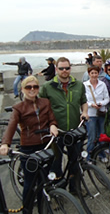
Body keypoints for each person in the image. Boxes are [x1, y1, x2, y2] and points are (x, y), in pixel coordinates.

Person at [0, 75, 58, 210]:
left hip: (45, 145)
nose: (32, 89)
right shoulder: (18, 108)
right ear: (23, 89)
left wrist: (53, 125)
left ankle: (44, 203)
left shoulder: (45, 102)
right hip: (28, 148)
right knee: (29, 183)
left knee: (44, 179)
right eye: (28, 87)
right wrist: (5, 143)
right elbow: (12, 125)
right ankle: (27, 210)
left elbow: (51, 119)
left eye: (35, 86)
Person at [39, 57, 89, 193]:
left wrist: (84, 112)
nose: (64, 71)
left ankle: (75, 188)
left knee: (75, 161)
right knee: (55, 162)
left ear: (70, 68)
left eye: (67, 68)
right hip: (56, 131)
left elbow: (84, 101)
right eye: (61, 68)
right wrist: (49, 124)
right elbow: (40, 108)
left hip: (74, 130)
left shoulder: (78, 85)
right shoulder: (47, 87)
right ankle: (57, 192)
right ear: (56, 70)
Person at [83, 66, 110, 160]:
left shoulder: (102, 84)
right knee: (92, 136)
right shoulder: (85, 85)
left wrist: (101, 104)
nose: (94, 75)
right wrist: (91, 104)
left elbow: (107, 98)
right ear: (89, 74)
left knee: (102, 135)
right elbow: (83, 100)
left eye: (96, 73)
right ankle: (88, 156)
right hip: (90, 114)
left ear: (98, 74)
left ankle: (101, 154)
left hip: (101, 112)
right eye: (92, 73)